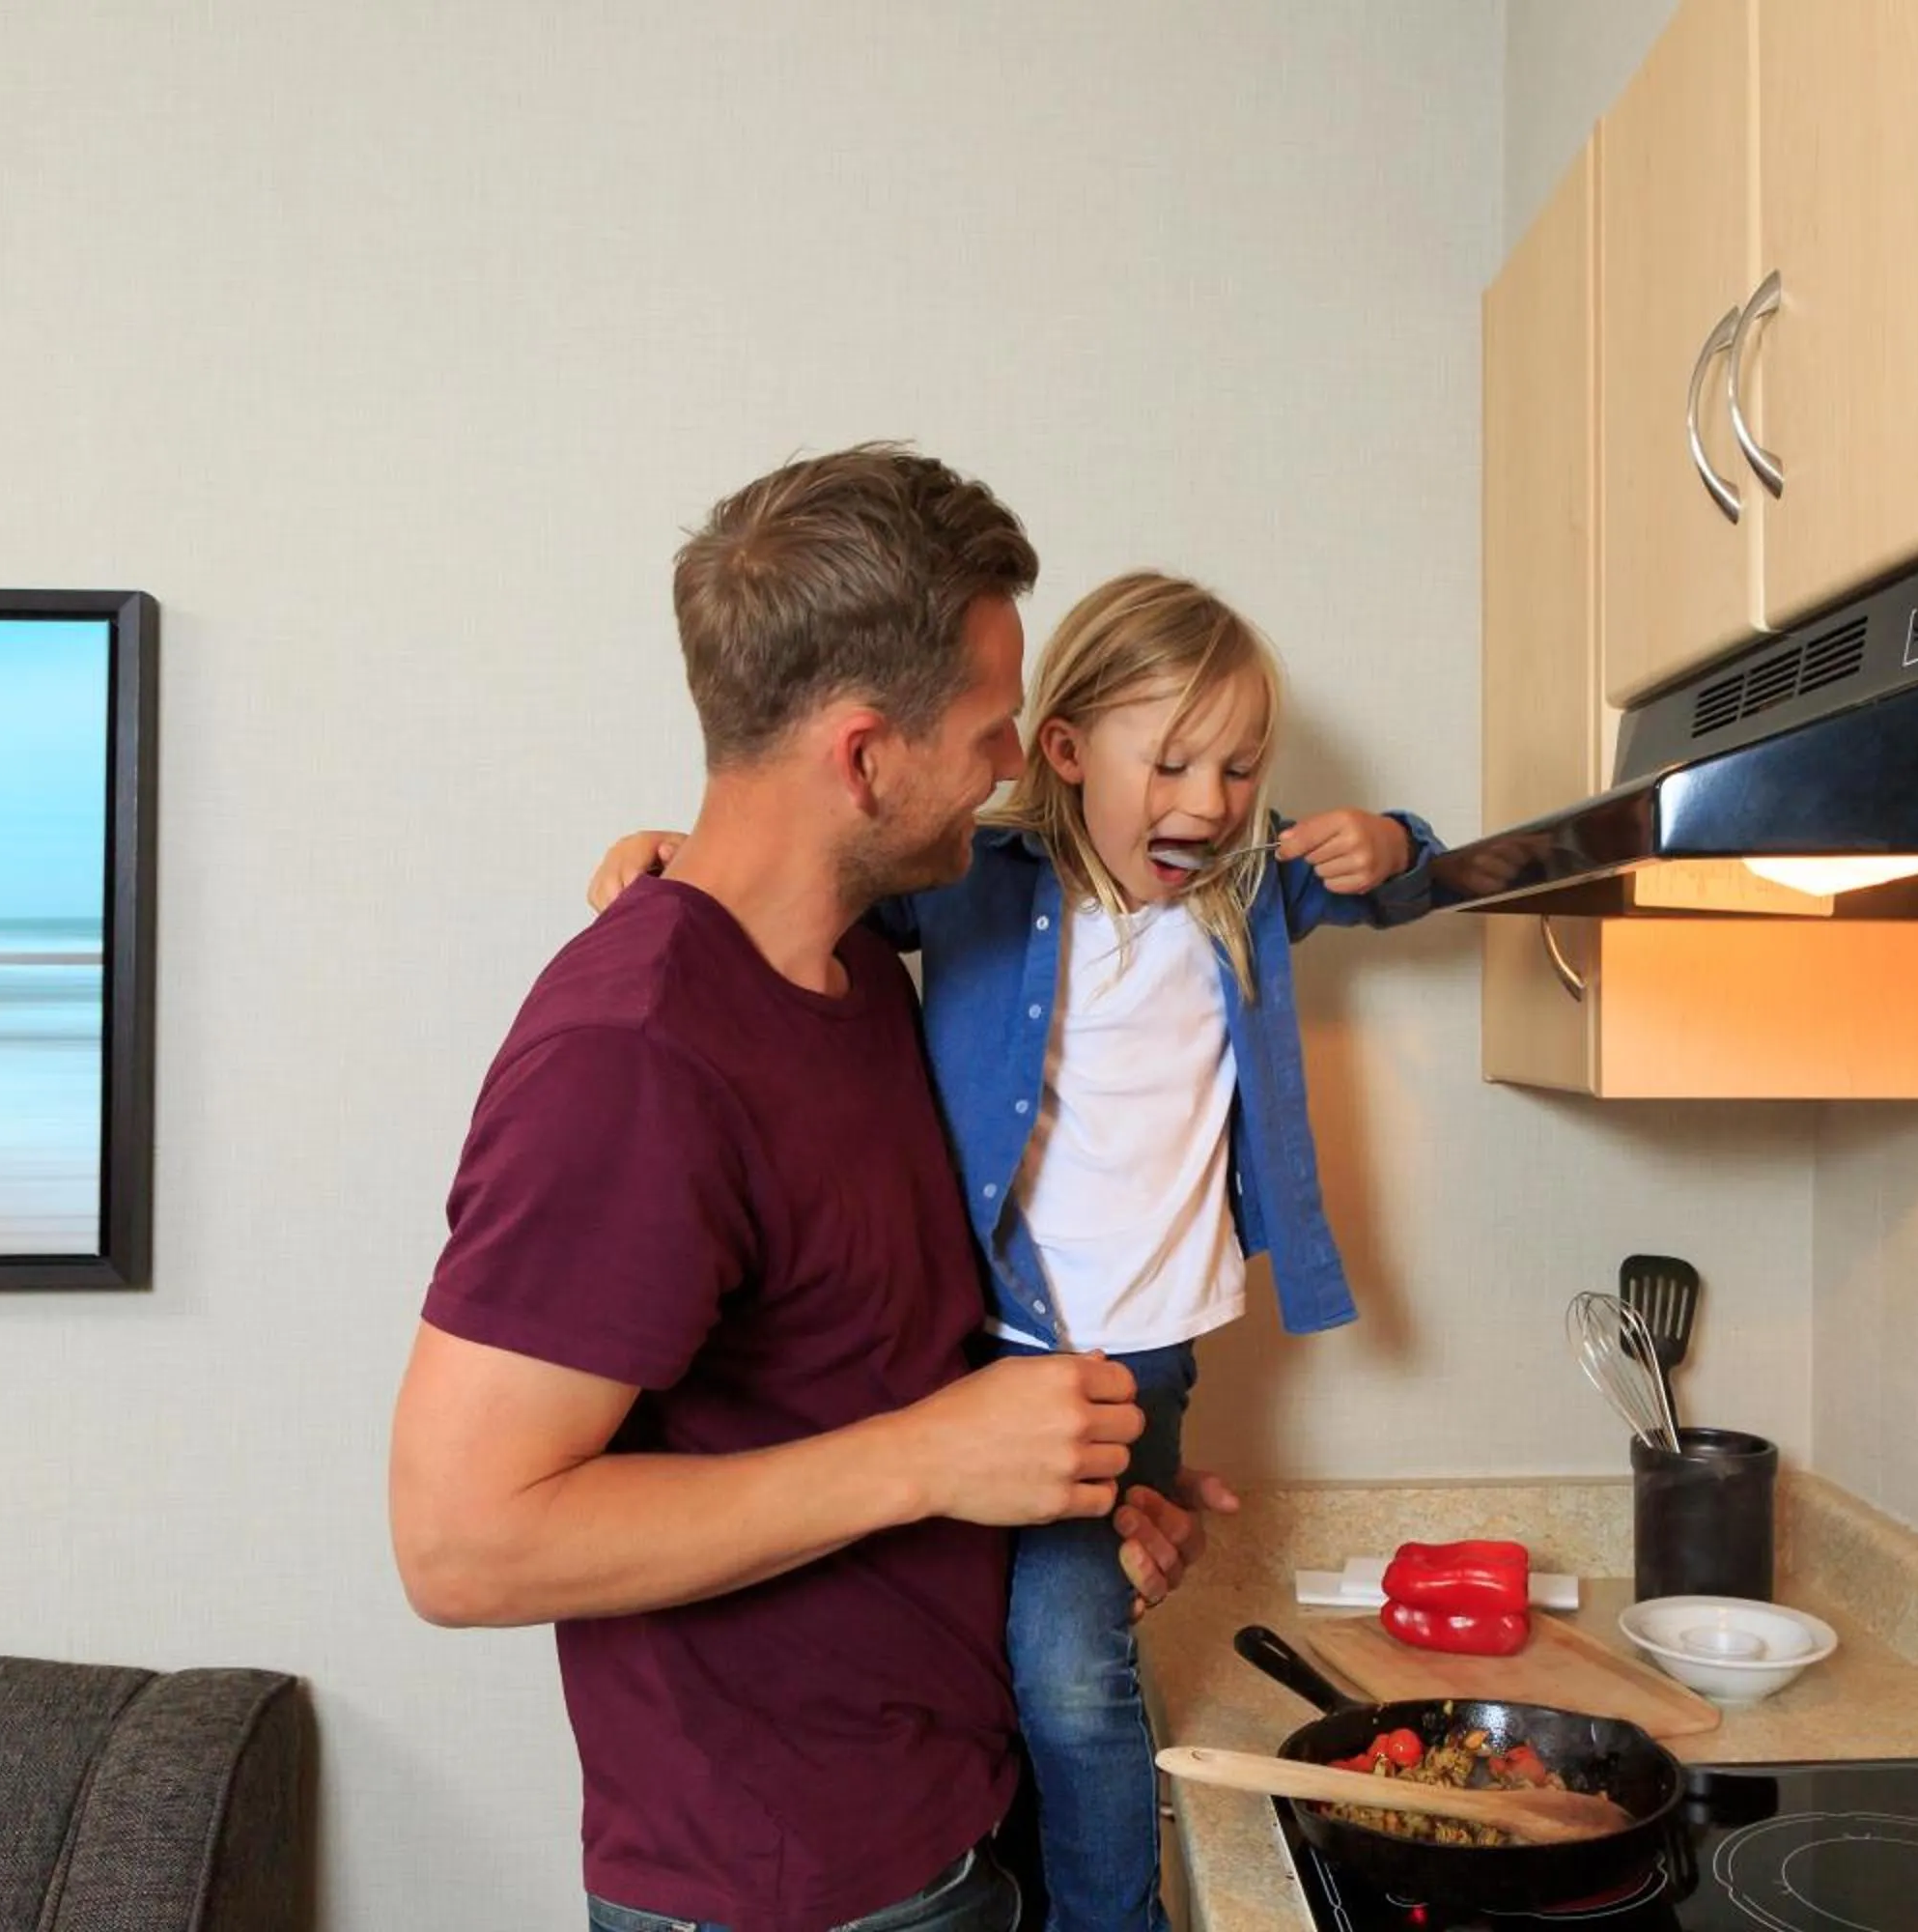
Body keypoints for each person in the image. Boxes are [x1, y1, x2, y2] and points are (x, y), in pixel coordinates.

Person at [389, 445, 1231, 1932]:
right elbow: (462, 1542)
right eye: (987, 727)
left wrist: (1073, 1512)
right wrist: (935, 1459)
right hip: (791, 1894)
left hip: (953, 1822)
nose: (1015, 761)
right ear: (864, 758)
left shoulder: (863, 971)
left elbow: (863, 1376)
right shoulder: (636, 1057)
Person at [584, 569, 1439, 1932]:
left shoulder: (1248, 892)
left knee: (1069, 1671)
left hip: (1134, 1360)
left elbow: (1419, 881)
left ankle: (1108, 1919)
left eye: (1239, 768)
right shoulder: (974, 879)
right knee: (998, 1656)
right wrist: (676, 863)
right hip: (983, 1342)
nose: (1213, 801)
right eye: (1172, 763)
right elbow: (806, 887)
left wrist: (1391, 843)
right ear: (1065, 750)